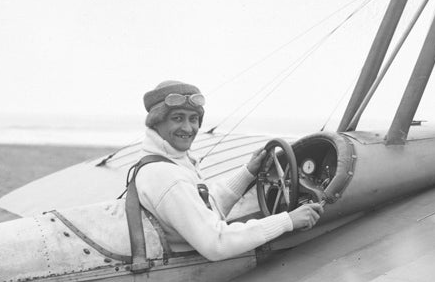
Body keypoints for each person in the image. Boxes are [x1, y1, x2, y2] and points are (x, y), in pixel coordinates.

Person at [132, 80, 323, 261]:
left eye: (194, 119)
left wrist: (248, 173)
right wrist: (288, 220)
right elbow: (217, 242)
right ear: (156, 122)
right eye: (177, 118)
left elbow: (205, 208)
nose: (188, 128)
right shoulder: (167, 177)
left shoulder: (169, 161)